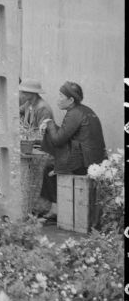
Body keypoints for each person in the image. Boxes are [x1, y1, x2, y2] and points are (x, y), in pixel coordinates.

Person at [38, 81, 106, 223]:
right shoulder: (84, 110)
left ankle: (55, 209)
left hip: (85, 163)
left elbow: (58, 140)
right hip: (93, 160)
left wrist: (50, 124)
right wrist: (51, 125)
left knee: (49, 168)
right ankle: (56, 207)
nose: (58, 99)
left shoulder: (74, 114)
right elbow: (65, 134)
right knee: (51, 166)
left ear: (70, 100)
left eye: (61, 96)